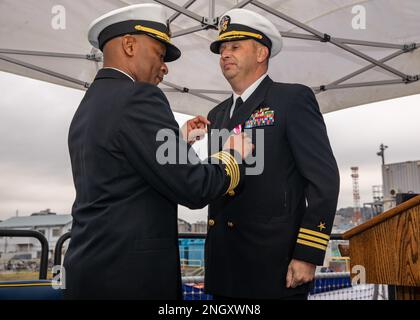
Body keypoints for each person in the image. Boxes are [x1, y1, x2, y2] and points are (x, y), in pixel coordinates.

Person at [63, 4, 252, 300]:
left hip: (90, 270)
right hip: (131, 279)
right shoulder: (140, 96)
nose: (164, 67)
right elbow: (194, 186)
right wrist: (233, 155)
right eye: (159, 54)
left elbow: (124, 164)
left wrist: (176, 141)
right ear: (129, 45)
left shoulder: (90, 104)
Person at [204, 8, 340, 300]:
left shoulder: (291, 99)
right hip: (225, 264)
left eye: (235, 46)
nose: (225, 54)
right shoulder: (215, 115)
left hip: (273, 266)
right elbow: (217, 181)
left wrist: (307, 254)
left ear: (261, 52)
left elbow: (323, 182)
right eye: (222, 49)